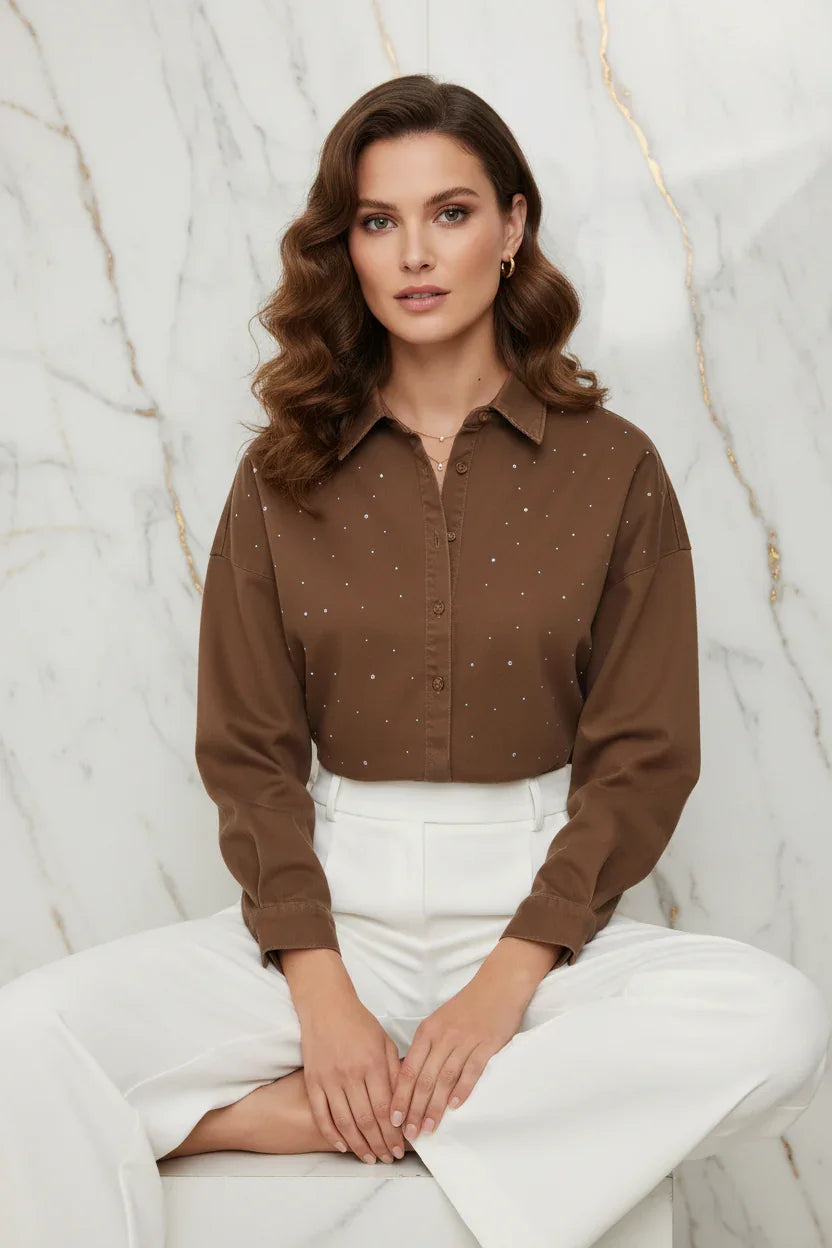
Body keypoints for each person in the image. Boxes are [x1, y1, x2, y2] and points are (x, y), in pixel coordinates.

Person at [0, 73, 828, 1248]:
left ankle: (314, 1123)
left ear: (513, 226)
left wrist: (506, 985)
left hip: (538, 913)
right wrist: (319, 986)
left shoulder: (614, 469)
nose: (414, 253)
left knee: (778, 1023)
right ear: (348, 248)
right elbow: (248, 751)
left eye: (450, 212)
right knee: (24, 1040)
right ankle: (308, 1109)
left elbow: (643, 756)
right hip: (335, 901)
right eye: (378, 222)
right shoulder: (281, 476)